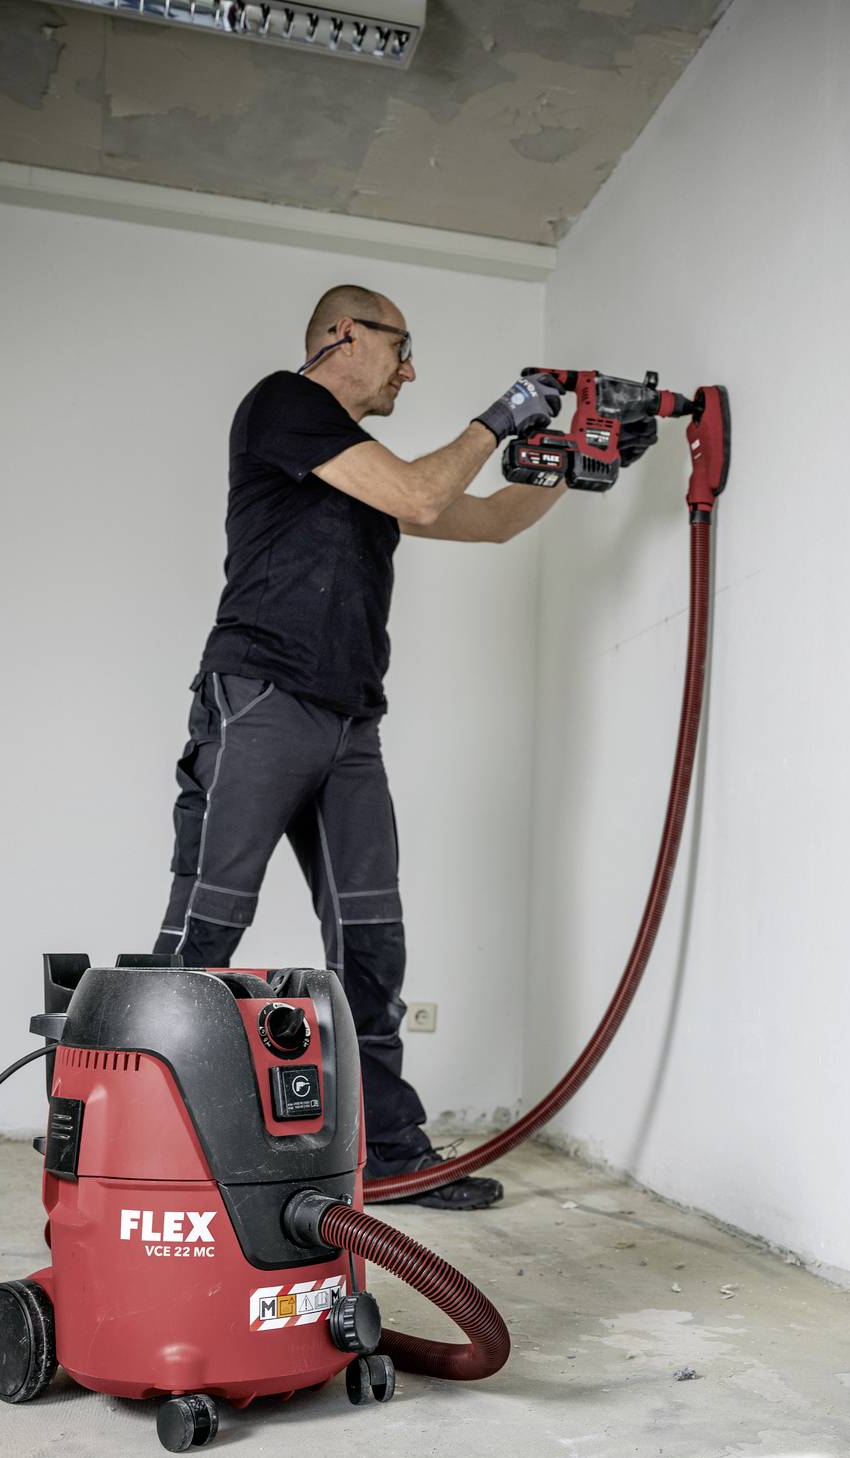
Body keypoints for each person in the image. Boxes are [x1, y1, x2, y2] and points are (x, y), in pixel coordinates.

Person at [153, 284, 649, 1209]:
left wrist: (586, 464)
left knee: (372, 946)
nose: (409, 371)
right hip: (261, 698)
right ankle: (148, 1142)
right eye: (401, 347)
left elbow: (487, 519)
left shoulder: (364, 470)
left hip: (349, 723)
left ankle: (387, 1154)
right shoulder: (282, 404)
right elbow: (423, 493)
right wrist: (501, 416)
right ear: (345, 334)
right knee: (204, 930)